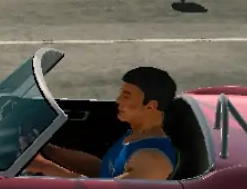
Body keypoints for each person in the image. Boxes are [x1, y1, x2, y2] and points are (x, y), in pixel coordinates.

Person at [27, 67, 180, 180]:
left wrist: (45, 167)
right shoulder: (137, 135)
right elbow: (103, 171)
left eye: (126, 96)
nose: (118, 100)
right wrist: (48, 150)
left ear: (150, 106)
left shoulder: (151, 160)